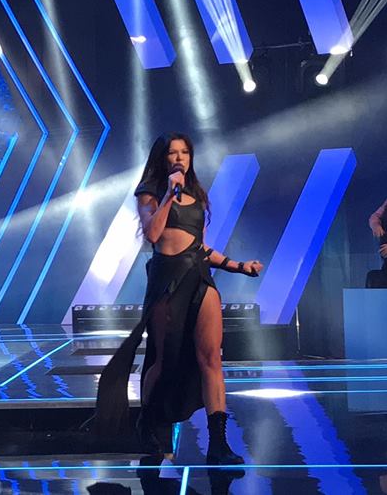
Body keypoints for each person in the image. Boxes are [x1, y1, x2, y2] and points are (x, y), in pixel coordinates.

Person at [93, 133, 264, 465]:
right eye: (173, 152)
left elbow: (199, 246)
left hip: (199, 277)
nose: (180, 158)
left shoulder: (197, 194)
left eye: (185, 152)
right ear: (163, 157)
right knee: (163, 359)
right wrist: (169, 195)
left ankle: (218, 444)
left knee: (211, 359)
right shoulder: (150, 192)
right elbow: (153, 234)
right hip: (167, 281)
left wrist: (239, 266)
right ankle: (148, 422)